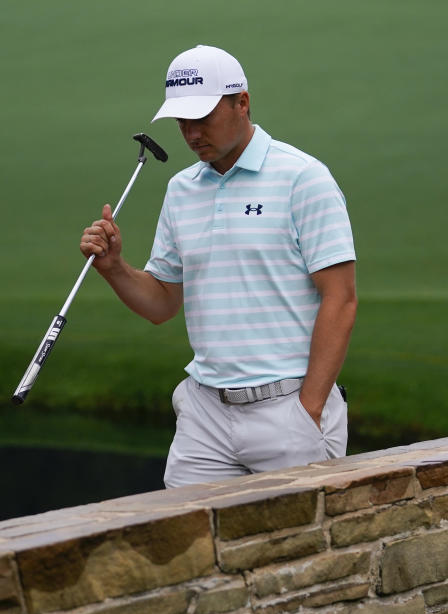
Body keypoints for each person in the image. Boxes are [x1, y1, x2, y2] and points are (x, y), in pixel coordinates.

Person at [80, 45, 357, 488]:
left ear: (241, 102)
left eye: (203, 117)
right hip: (204, 415)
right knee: (181, 548)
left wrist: (309, 408)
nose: (191, 133)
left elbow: (340, 299)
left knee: (298, 550)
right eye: (182, 121)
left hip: (288, 410)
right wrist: (115, 268)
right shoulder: (181, 189)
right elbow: (162, 304)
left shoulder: (303, 178)